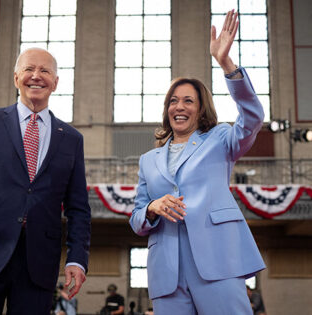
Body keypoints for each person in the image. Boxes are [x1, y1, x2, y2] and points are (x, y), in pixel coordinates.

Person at [129, 10, 266, 315]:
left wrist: (226, 64)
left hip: (218, 262)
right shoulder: (148, 160)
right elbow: (137, 218)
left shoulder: (220, 139)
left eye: (188, 100)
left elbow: (253, 117)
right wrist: (152, 208)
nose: (179, 106)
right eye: (173, 101)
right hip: (167, 272)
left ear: (201, 109)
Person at [0, 47, 91, 314]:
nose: (36, 76)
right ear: (15, 78)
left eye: (45, 71)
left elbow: (78, 208)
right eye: (29, 69)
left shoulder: (71, 139)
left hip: (39, 264)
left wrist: (77, 259)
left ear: (55, 83)